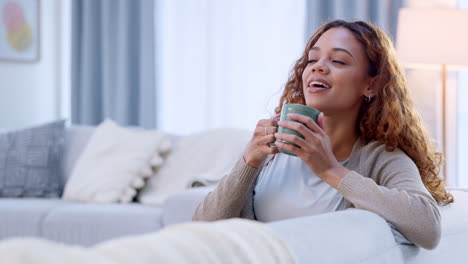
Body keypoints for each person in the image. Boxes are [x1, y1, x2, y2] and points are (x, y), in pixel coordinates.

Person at [192, 20, 453, 250]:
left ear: (370, 85)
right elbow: (201, 230)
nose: (318, 67)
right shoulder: (272, 152)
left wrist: (330, 170)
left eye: (338, 61)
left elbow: (428, 229)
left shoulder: (380, 157)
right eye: (312, 60)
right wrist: (247, 162)